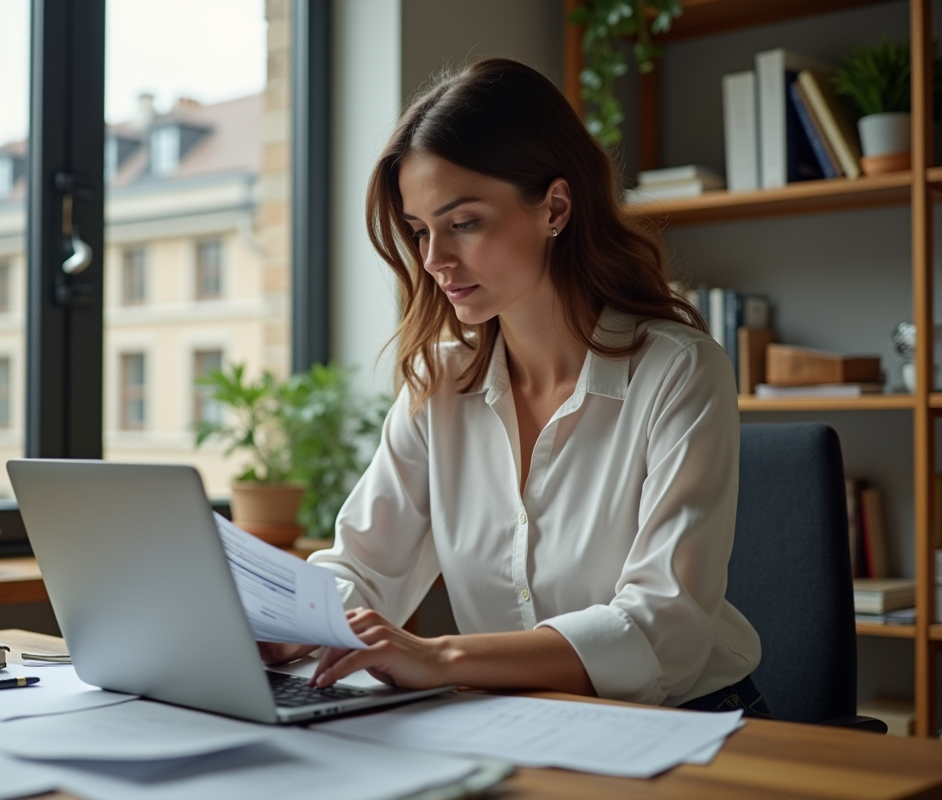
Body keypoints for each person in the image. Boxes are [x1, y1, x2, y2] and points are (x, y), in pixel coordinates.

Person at [261, 57, 769, 718]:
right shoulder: (438, 383)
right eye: (419, 231)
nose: (434, 260)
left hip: (690, 725)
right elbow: (362, 568)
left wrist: (440, 657)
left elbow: (661, 627)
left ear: (554, 206)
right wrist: (281, 623)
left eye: (464, 223)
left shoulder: (678, 370)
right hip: (515, 721)